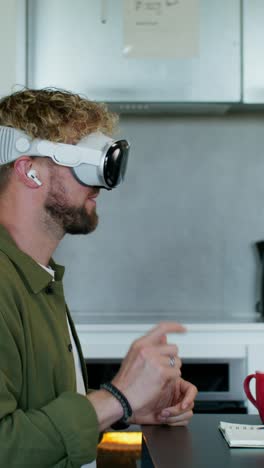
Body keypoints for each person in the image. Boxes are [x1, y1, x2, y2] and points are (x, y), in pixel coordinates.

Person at [0, 88, 197, 467]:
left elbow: (36, 411)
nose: (103, 184)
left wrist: (126, 409)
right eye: (88, 162)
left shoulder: (37, 278)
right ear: (28, 170)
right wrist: (117, 396)